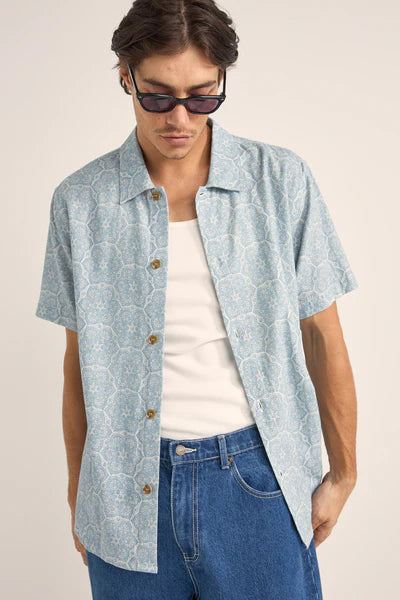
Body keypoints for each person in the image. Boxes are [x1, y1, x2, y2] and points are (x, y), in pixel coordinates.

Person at [35, 1, 359, 598]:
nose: (180, 118)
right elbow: (78, 364)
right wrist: (81, 492)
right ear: (126, 76)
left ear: (222, 81)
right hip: (124, 491)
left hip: (257, 481)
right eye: (158, 97)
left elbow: (322, 334)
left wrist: (343, 474)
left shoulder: (280, 181)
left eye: (202, 97)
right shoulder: (79, 203)